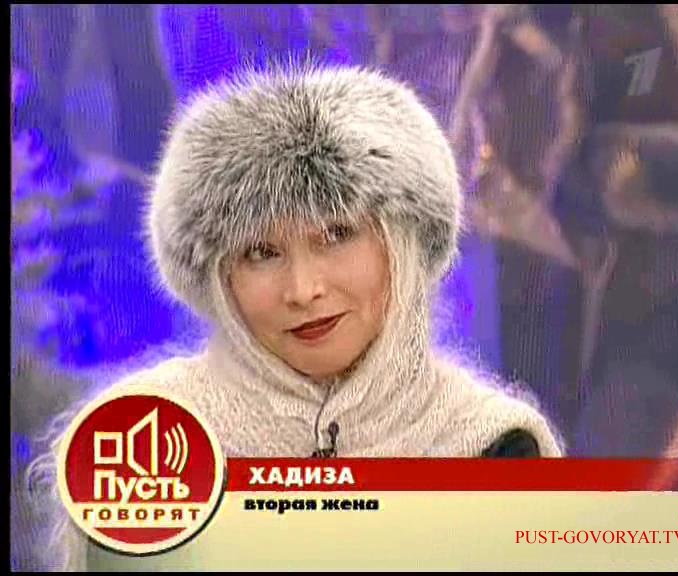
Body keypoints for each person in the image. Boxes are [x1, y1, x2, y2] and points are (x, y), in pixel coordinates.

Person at [30, 63, 563, 571]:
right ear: (219, 279)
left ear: (403, 245)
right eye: (261, 252)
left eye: (336, 234)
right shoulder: (140, 445)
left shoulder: (491, 442)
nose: (304, 290)